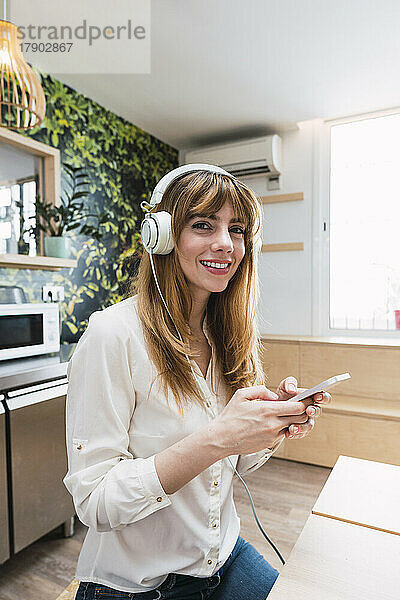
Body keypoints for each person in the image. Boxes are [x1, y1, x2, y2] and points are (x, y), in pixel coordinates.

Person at [64, 165, 331, 600]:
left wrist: (270, 426)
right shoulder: (112, 335)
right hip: (140, 586)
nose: (225, 244)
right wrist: (219, 437)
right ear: (162, 236)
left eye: (237, 229)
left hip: (224, 557)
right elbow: (95, 502)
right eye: (203, 225)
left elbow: (236, 466)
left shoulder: (226, 334)